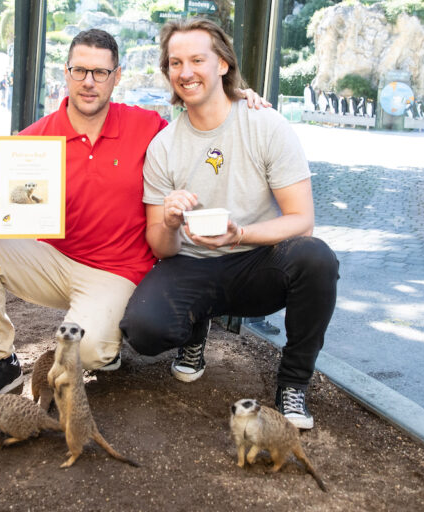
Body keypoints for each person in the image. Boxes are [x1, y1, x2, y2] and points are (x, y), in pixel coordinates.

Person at [0, 29, 265, 397]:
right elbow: (20, 213)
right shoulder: (33, 142)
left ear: (116, 77)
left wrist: (233, 99)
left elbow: (202, 128)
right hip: (54, 261)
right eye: (80, 71)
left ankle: (107, 333)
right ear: (65, 73)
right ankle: (1, 362)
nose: (89, 82)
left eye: (100, 72)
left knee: (87, 352)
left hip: (117, 273)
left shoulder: (146, 127)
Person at [118, 18, 339, 430]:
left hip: (256, 262)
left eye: (197, 59)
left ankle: (293, 384)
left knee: (316, 258)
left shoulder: (265, 124)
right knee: (143, 332)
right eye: (175, 62)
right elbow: (161, 247)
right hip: (191, 261)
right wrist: (167, 222)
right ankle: (193, 331)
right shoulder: (163, 146)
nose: (186, 72)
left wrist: (241, 234)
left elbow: (302, 221)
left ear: (222, 64)